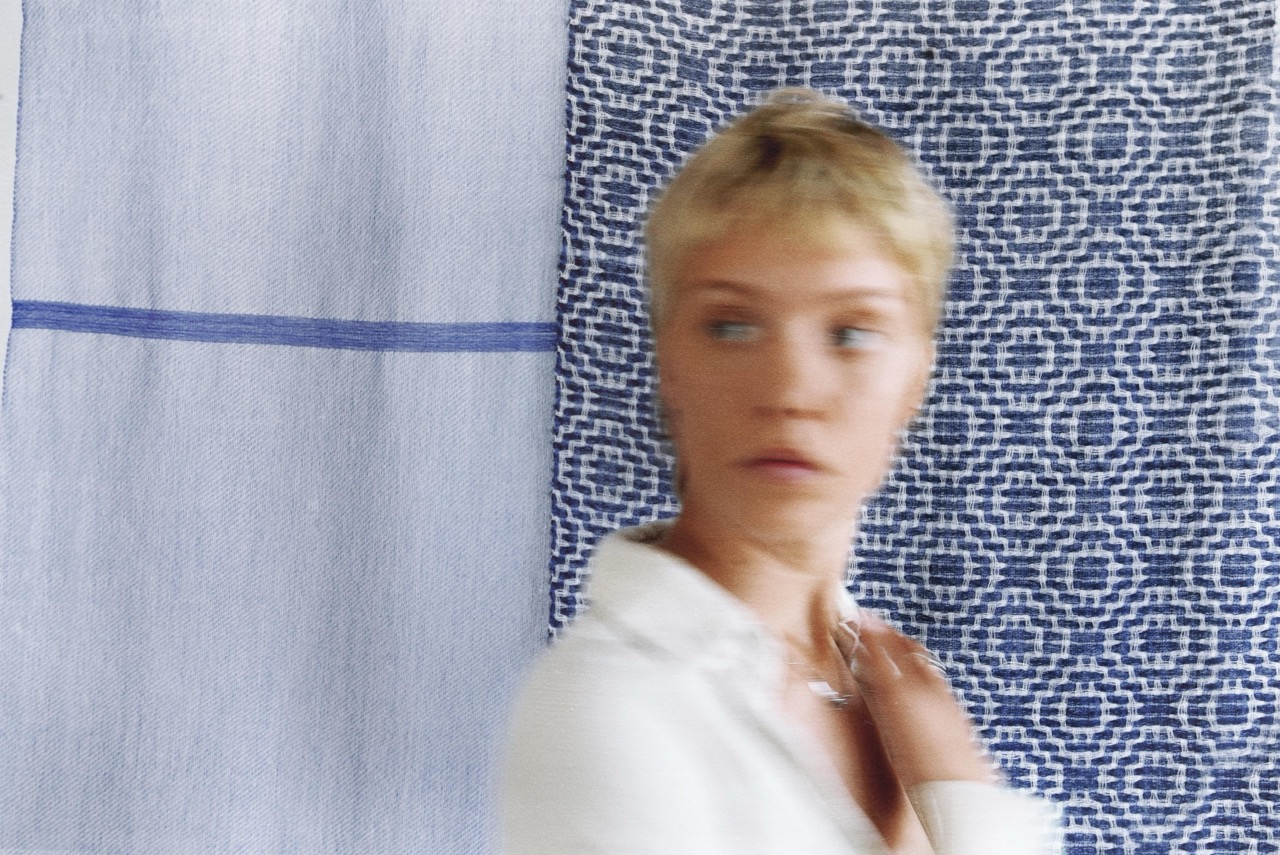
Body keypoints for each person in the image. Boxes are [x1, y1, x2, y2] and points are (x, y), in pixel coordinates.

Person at [501, 88, 1060, 855]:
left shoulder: (890, 692)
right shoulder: (608, 710)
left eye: (851, 332)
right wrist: (967, 806)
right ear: (669, 360)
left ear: (917, 375)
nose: (791, 389)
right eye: (732, 326)